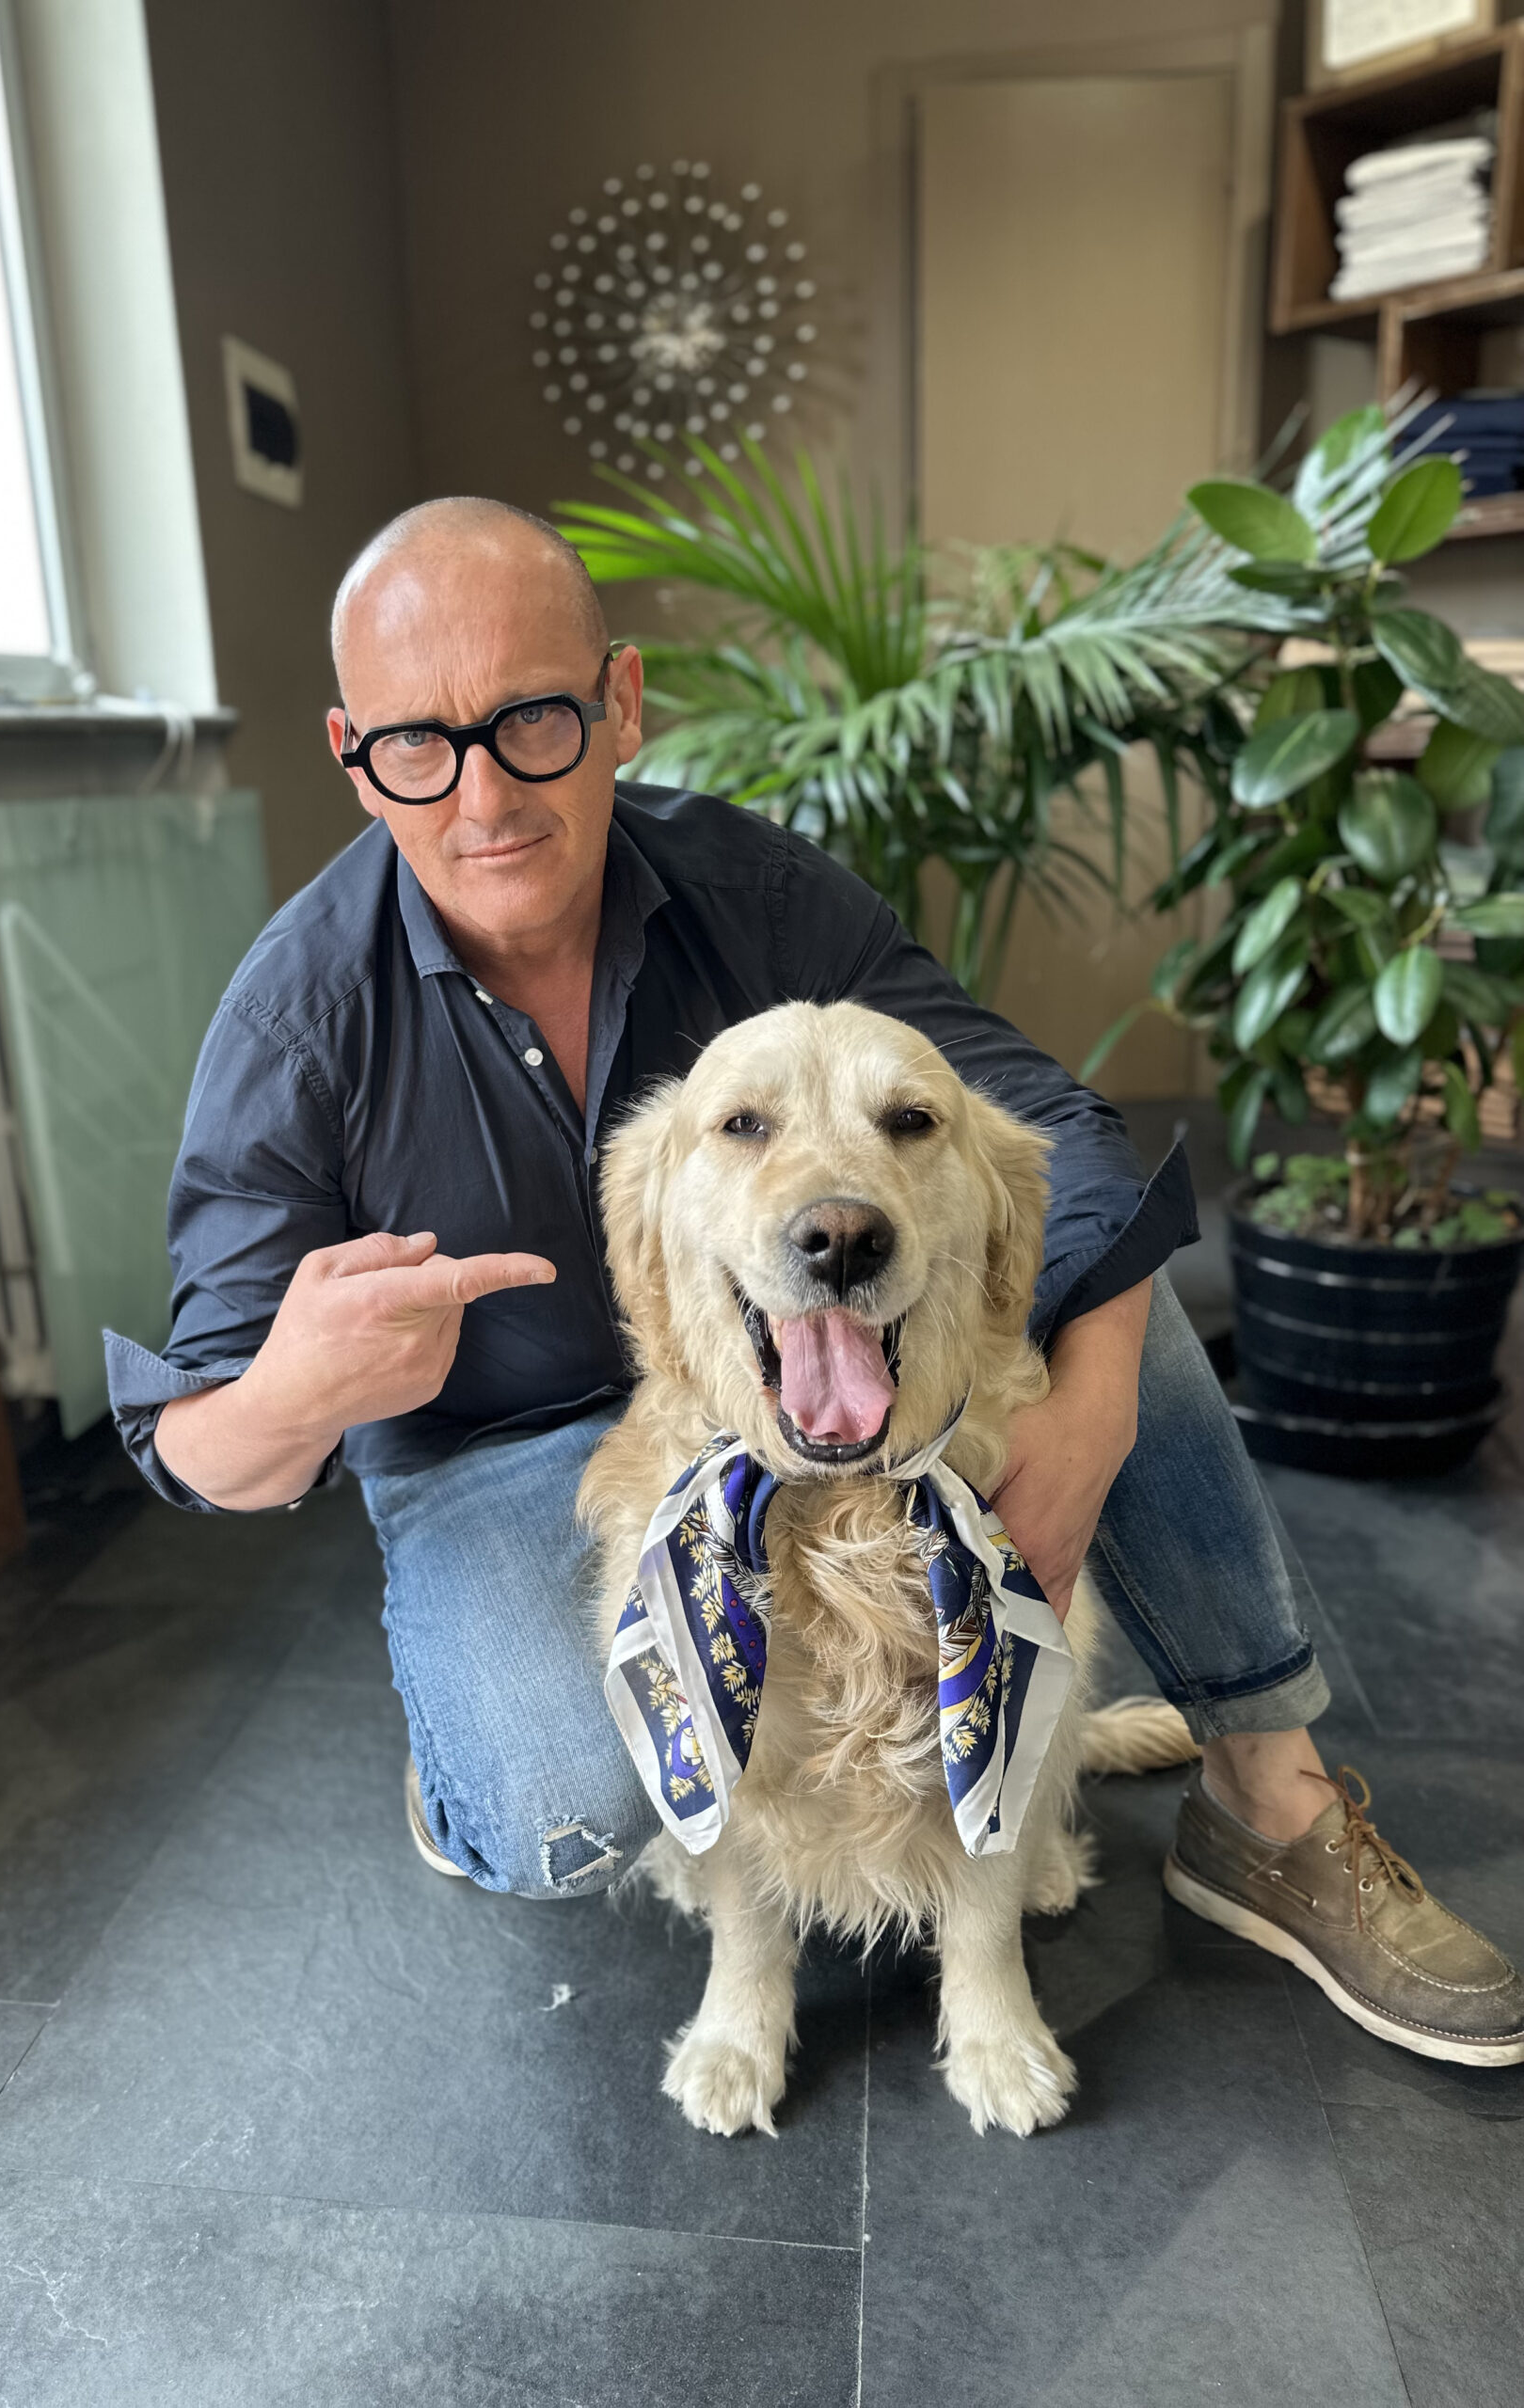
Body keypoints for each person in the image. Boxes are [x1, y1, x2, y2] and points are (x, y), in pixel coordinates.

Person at [106, 497, 1522, 2067]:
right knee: (558, 1808)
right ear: (355, 756)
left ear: (620, 703)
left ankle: (1270, 1798)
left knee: (1091, 1273)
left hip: (820, 1361)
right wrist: (294, 1390)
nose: (484, 793)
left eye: (532, 721)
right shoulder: (297, 1020)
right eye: (418, 747)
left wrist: (1099, 1417)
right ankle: (474, 1757)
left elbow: (1049, 1131)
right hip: (500, 1449)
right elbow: (196, 1447)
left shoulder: (755, 891)